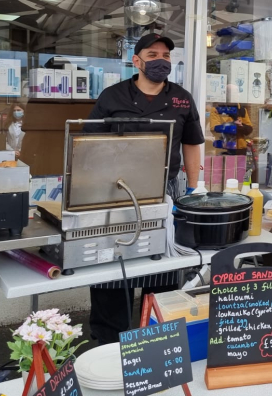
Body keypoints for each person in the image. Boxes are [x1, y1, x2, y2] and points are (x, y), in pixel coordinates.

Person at [84, 33, 205, 344]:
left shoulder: (181, 98)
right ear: (136, 61)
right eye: (152, 55)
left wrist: (193, 189)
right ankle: (109, 344)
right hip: (115, 195)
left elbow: (192, 144)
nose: (161, 60)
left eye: (166, 55)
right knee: (112, 268)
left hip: (166, 191)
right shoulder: (112, 97)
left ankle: (158, 343)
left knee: (162, 268)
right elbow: (88, 145)